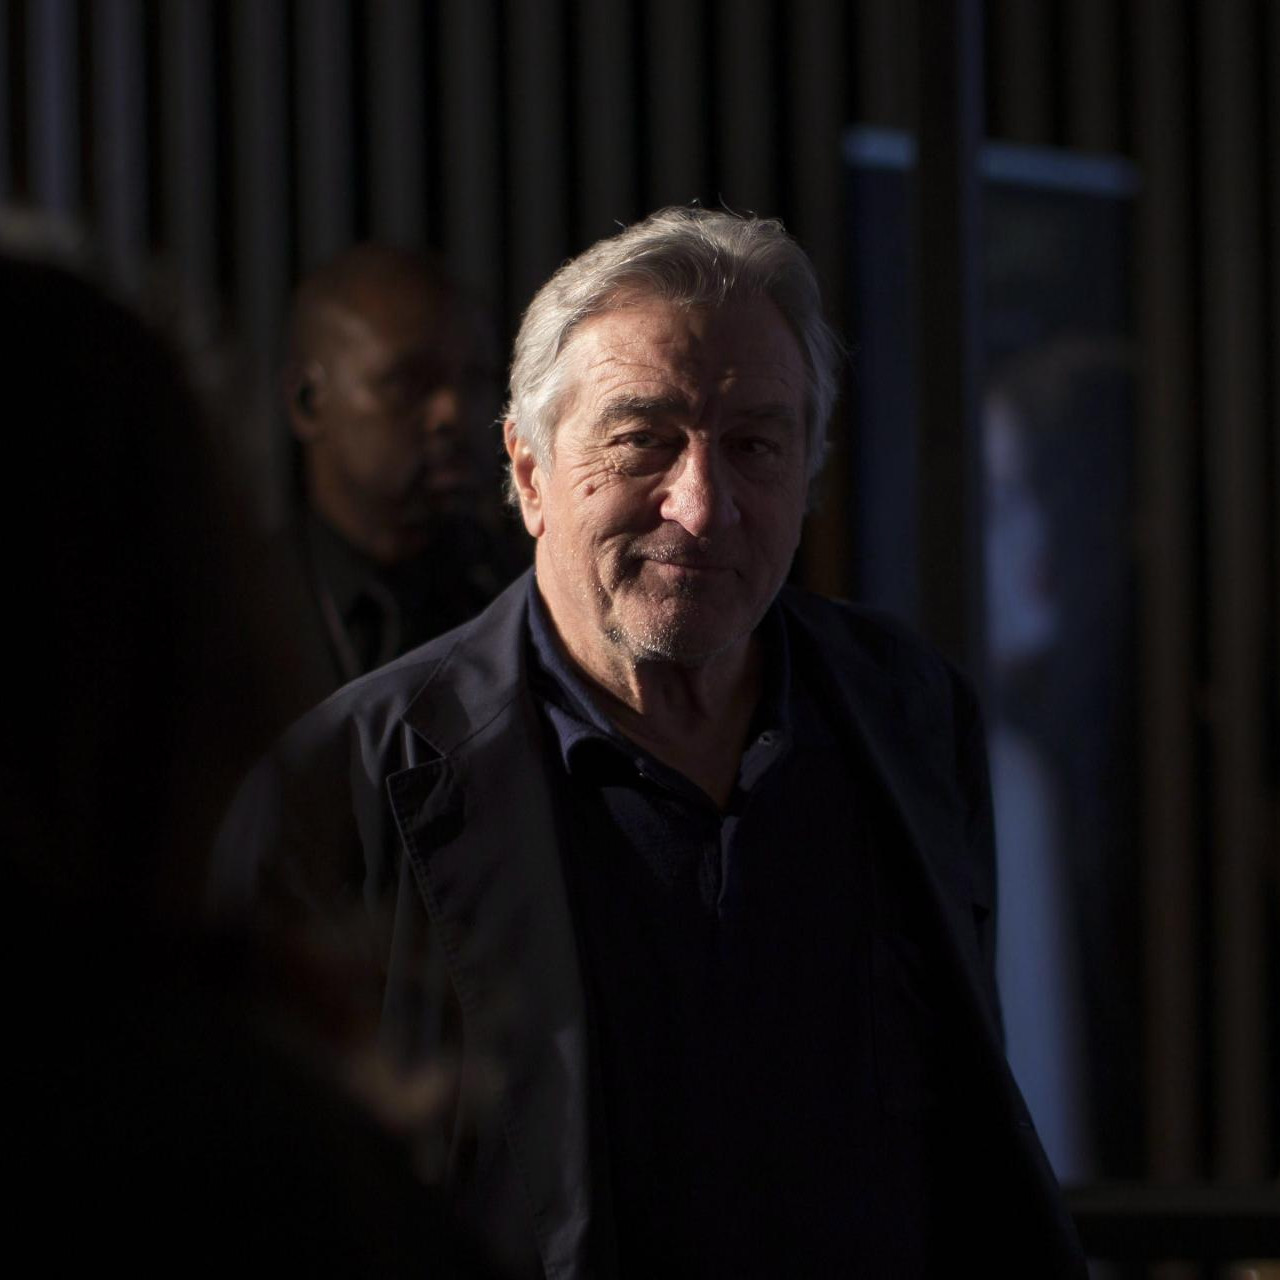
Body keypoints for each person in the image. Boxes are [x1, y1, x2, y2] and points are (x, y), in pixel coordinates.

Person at [217, 208, 1087, 1277]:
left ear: (809, 471)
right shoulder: (344, 783)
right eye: (642, 440)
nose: (702, 505)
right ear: (527, 471)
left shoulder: (909, 712)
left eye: (755, 445)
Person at [278, 243, 519, 704]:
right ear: (307, 401)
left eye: (475, 380)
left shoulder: (533, 597)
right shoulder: (228, 608)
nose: (452, 413)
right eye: (409, 383)